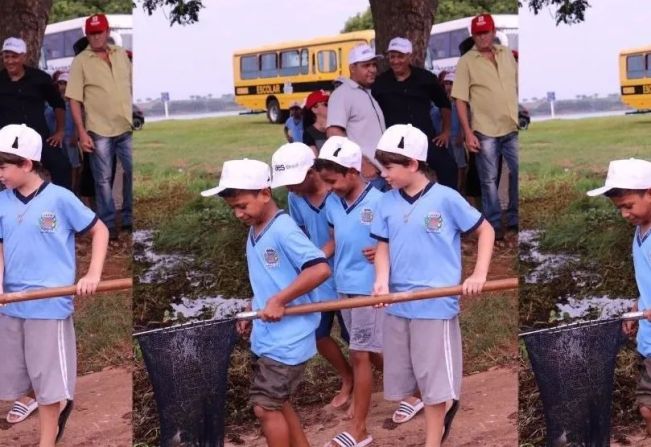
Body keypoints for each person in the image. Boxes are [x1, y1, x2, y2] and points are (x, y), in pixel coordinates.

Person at [371, 124, 494, 446]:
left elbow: (486, 231)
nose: (384, 174)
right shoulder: (385, 203)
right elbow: (382, 245)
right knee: (406, 374)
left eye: (390, 167)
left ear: (413, 164)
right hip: (399, 302)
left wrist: (478, 274)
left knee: (433, 377)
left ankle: (432, 439)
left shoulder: (446, 198)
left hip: (435, 303)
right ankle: (442, 411)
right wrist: (381, 282)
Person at [201, 159, 330, 447]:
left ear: (265, 193)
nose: (238, 214)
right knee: (278, 402)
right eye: (233, 208)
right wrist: (252, 309)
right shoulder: (256, 229)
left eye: (243, 206)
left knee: (265, 407)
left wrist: (280, 299)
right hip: (268, 334)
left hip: (289, 338)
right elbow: (268, 280)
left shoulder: (283, 229)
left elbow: (320, 268)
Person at [0, 123, 109, 446]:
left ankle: (47, 440)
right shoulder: (2, 201)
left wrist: (92, 274)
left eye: (3, 167)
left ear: (26, 164)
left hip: (49, 305)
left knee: (48, 381)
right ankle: (44, 399)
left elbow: (99, 230)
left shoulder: (60, 198)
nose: (0, 174)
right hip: (13, 303)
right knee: (19, 375)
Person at [270, 142, 354, 409]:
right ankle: (347, 377)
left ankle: (387, 383)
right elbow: (300, 235)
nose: (288, 188)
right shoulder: (295, 199)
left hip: (343, 273)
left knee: (356, 339)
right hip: (316, 279)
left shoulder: (337, 194)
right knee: (319, 335)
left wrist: (315, 259)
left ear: (311, 173)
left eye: (292, 181)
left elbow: (340, 236)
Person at [315, 136, 384, 447]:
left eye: (333, 180)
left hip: (369, 288)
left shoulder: (380, 202)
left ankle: (359, 429)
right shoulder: (332, 203)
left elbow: (397, 239)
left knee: (359, 354)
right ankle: (420, 390)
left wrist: (385, 250)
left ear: (353, 172)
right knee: (369, 350)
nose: (329, 187)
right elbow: (335, 238)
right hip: (343, 286)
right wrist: (315, 259)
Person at [588, 159, 651, 434]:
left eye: (629, 205)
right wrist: (636, 307)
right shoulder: (640, 233)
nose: (625, 214)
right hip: (648, 339)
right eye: (619, 209)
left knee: (648, 407)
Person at [452, 13, 519, 241]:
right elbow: (460, 99)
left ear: (494, 31)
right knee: (488, 180)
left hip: (511, 125)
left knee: (518, 171)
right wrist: (468, 132)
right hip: (485, 129)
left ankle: (513, 219)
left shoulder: (506, 54)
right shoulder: (466, 61)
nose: (482, 37)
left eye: (486, 32)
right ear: (473, 35)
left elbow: (515, 85)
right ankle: (492, 228)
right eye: (478, 33)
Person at [66, 13, 133, 241]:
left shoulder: (121, 54)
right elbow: (74, 99)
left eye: (100, 32)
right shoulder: (80, 61)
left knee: (132, 171)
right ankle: (106, 227)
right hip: (99, 129)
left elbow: (130, 85)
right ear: (87, 35)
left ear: (108, 31)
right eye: (92, 33)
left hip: (126, 125)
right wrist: (81, 132)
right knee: (102, 180)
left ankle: (128, 218)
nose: (96, 37)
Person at [372, 37, 458, 190]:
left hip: (424, 139)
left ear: (409, 56)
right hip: (394, 144)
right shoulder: (380, 83)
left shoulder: (426, 79)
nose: (396, 61)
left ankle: (447, 205)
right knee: (394, 178)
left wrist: (445, 132)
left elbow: (444, 104)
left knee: (449, 168)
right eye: (392, 56)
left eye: (400, 56)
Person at [0, 37, 72, 190]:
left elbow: (58, 104)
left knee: (62, 166)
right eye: (7, 56)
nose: (10, 61)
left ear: (24, 57)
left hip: (37, 139)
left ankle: (62, 206)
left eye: (15, 56)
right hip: (6, 144)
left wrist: (59, 131)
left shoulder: (40, 79)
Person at [326, 44, 387, 191]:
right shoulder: (342, 94)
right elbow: (334, 134)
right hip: (365, 175)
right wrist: (361, 163)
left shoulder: (366, 92)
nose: (372, 69)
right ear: (352, 68)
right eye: (366, 65)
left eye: (374, 65)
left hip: (380, 173)